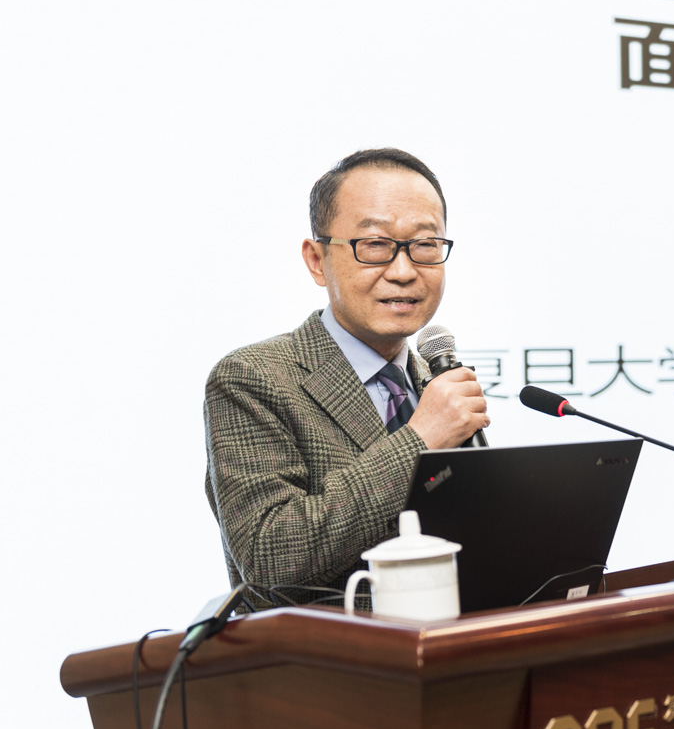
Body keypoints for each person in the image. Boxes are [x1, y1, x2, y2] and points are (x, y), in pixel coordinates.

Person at [203, 148, 489, 607]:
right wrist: (419, 440)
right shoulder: (252, 378)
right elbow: (269, 559)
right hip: (329, 651)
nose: (403, 271)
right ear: (317, 260)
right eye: (374, 245)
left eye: (424, 245)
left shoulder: (436, 384)